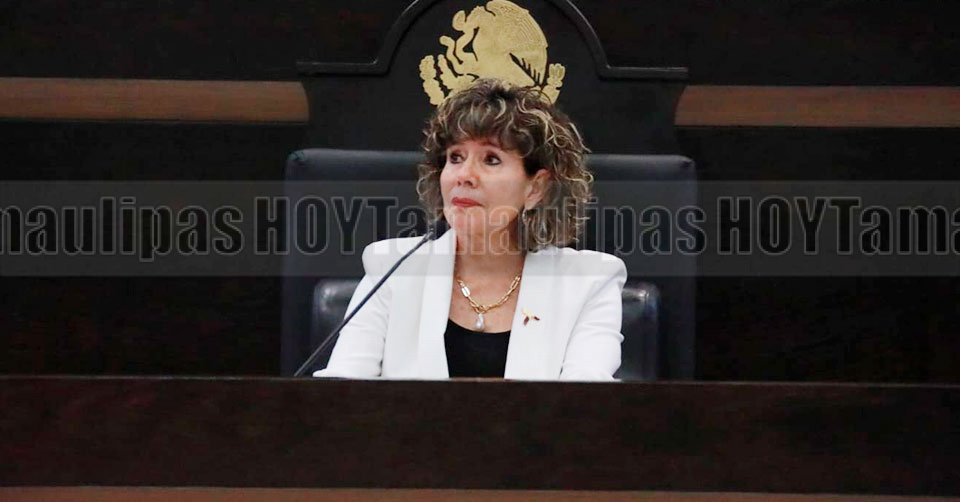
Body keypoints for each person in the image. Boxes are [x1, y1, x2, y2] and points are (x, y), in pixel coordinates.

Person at [314, 78, 626, 381]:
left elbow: (586, 404)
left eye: (491, 159)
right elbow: (341, 391)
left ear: (536, 188)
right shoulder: (392, 270)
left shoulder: (589, 283)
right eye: (455, 157)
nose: (464, 175)